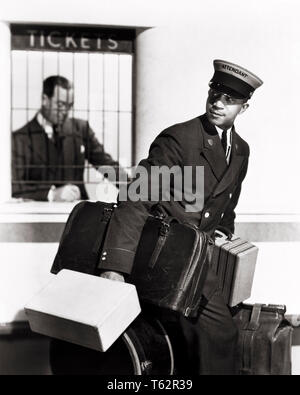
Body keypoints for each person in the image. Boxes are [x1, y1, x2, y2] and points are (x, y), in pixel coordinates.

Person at [97, 59, 263, 374]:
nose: (218, 103)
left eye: (229, 99)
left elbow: (225, 209)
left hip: (200, 261)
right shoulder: (179, 139)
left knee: (224, 328)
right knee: (218, 333)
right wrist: (114, 268)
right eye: (215, 92)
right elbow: (135, 199)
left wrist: (222, 240)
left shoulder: (241, 150)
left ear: (245, 107)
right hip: (166, 259)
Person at [12, 75, 123, 201]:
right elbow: (15, 187)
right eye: (60, 105)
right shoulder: (20, 139)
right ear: (44, 99)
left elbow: (106, 164)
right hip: (40, 215)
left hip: (78, 212)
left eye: (69, 105)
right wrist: (51, 195)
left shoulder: (81, 129)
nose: (65, 111)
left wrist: (136, 190)